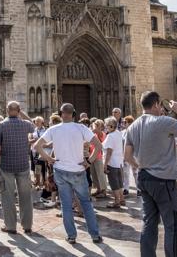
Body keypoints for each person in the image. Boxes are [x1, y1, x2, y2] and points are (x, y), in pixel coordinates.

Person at [124, 91, 177, 257]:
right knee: (173, 224)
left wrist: (143, 166)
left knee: (149, 222)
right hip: (163, 180)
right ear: (156, 104)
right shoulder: (161, 121)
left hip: (144, 178)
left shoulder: (132, 126)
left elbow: (127, 156)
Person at [35, 103, 103, 244]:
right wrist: (89, 161)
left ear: (61, 114)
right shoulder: (81, 128)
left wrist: (49, 159)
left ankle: (71, 236)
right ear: (74, 114)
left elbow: (37, 146)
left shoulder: (54, 129)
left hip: (60, 170)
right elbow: (98, 145)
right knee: (85, 203)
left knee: (66, 204)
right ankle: (95, 235)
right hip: (78, 170)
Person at [0, 101, 35, 235]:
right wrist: (22, 112)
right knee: (26, 196)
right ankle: (27, 225)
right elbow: (33, 125)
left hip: (7, 165)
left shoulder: (1, 126)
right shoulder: (26, 124)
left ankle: (10, 226)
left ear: (6, 110)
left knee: (8, 197)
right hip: (22, 165)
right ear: (18, 111)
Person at [103, 117, 125, 209]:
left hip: (112, 162)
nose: (105, 127)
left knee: (113, 183)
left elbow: (109, 152)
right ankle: (122, 199)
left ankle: (116, 201)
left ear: (111, 126)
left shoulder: (110, 136)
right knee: (119, 182)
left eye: (106, 125)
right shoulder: (118, 133)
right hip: (119, 162)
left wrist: (105, 164)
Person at [90, 119, 107, 198]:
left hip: (99, 157)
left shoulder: (101, 134)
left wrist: (95, 129)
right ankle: (98, 189)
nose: (93, 127)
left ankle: (103, 191)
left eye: (95, 126)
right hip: (92, 156)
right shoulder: (95, 134)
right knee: (94, 174)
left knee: (100, 174)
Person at [121, 115, 138, 196]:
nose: (123, 124)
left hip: (134, 155)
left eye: (125, 122)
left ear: (130, 123)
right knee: (126, 172)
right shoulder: (123, 132)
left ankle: (139, 189)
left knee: (136, 172)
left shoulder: (136, 132)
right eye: (123, 122)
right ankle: (126, 188)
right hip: (125, 155)